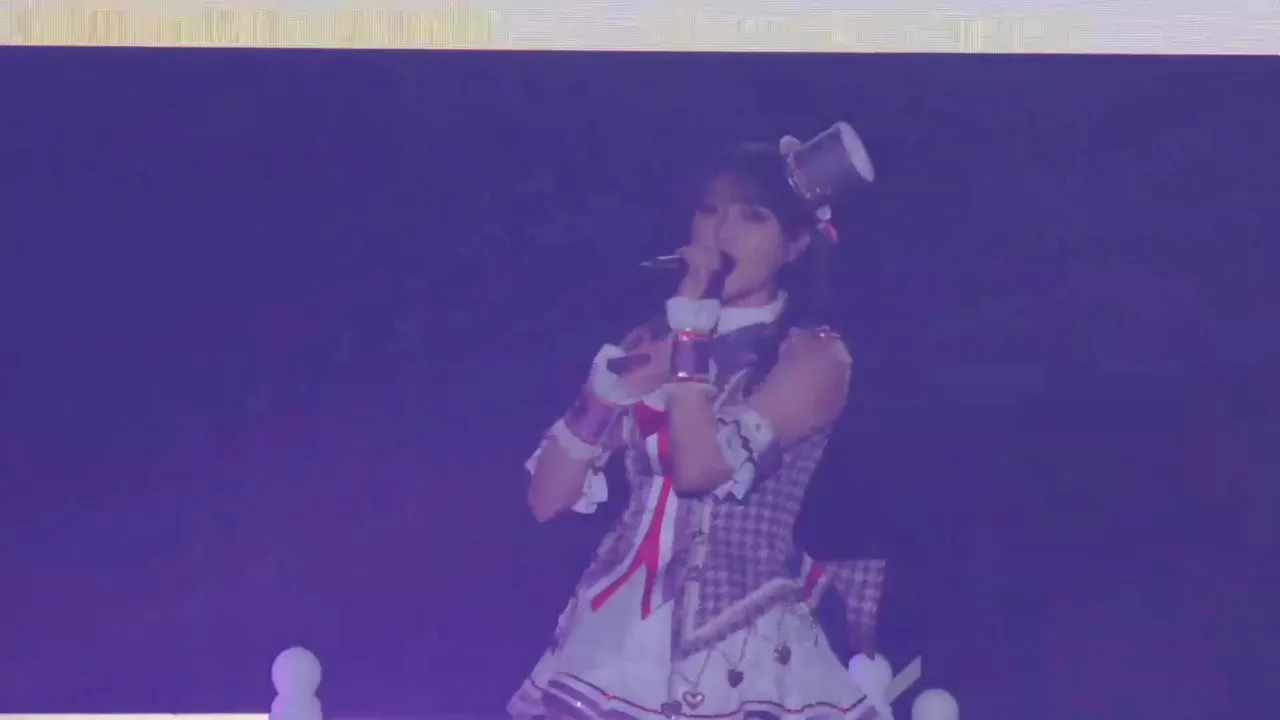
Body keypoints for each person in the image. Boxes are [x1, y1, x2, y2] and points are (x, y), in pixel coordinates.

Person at [510, 123, 886, 720]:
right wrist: (601, 395)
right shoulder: (652, 340)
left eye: (752, 216)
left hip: (737, 638)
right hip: (612, 634)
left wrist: (690, 337)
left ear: (795, 246)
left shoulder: (812, 357)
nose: (722, 232)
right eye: (710, 210)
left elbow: (699, 471)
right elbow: (544, 501)